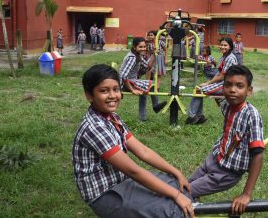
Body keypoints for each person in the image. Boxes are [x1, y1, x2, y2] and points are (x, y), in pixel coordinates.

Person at [72, 64, 194, 218]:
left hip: (122, 182)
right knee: (172, 209)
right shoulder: (94, 127)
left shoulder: (112, 118)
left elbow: (143, 151)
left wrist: (176, 172)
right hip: (105, 194)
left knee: (177, 184)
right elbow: (132, 170)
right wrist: (176, 196)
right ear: (89, 95)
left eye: (116, 89)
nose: (112, 95)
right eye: (104, 91)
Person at [189, 64, 264, 215]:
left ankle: (186, 208)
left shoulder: (251, 115)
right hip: (214, 159)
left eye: (239, 86)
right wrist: (207, 87)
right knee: (186, 185)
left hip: (226, 173)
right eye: (228, 85)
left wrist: (246, 194)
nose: (232, 90)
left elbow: (258, 155)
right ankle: (193, 204)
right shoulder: (228, 105)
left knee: (184, 192)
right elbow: (219, 100)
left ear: (249, 90)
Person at [185, 37, 238, 125]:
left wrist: (208, 83)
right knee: (199, 89)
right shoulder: (224, 57)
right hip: (222, 82)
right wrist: (210, 82)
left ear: (230, 47)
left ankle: (192, 116)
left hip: (227, 85)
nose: (223, 47)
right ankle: (198, 116)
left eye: (225, 45)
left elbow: (222, 76)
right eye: (221, 45)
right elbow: (219, 73)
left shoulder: (230, 58)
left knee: (199, 89)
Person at [119, 37, 167, 122]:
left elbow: (147, 66)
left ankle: (143, 117)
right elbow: (123, 76)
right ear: (134, 47)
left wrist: (153, 54)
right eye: (140, 47)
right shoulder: (132, 58)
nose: (143, 49)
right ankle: (155, 106)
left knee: (144, 91)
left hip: (131, 80)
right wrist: (132, 90)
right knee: (151, 84)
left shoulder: (138, 55)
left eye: (144, 46)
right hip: (125, 83)